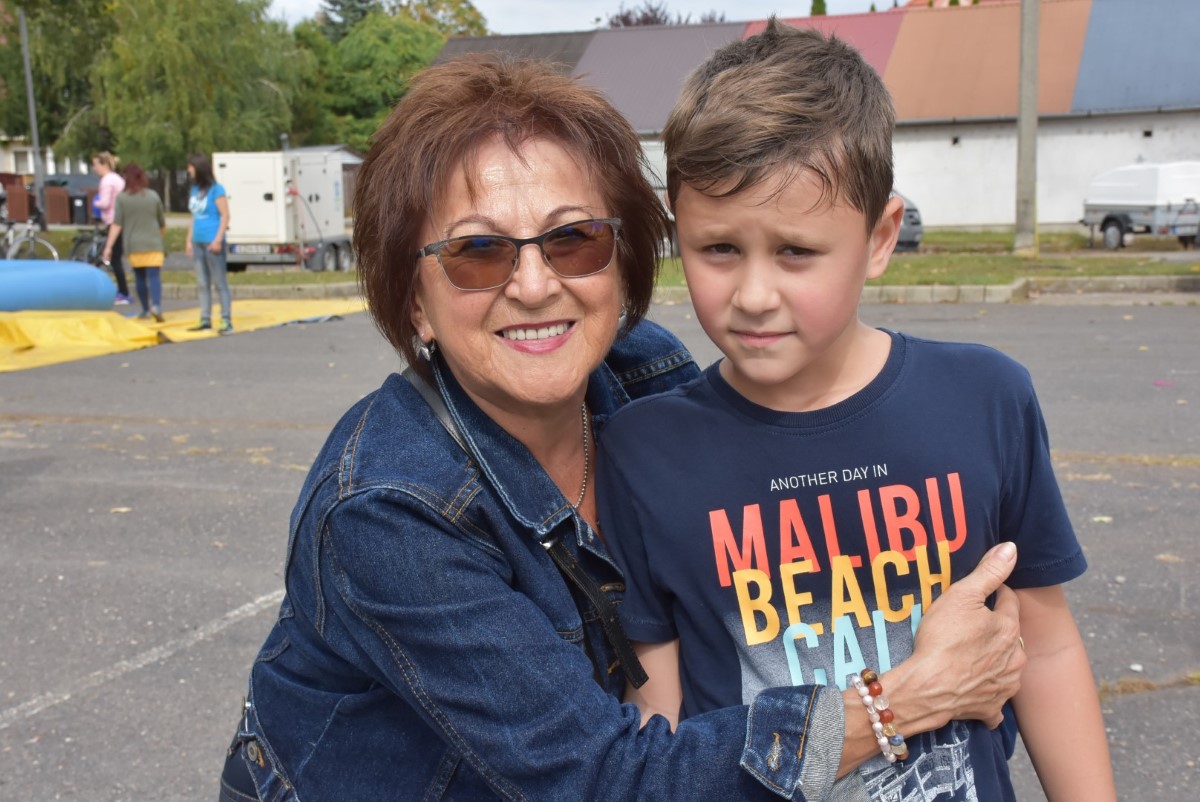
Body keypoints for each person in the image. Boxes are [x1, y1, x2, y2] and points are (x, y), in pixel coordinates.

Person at [217, 54, 1027, 802]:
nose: (534, 285)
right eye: (478, 252)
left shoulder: (645, 374)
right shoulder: (388, 511)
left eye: (572, 239)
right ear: (414, 302)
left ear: (623, 256)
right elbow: (602, 778)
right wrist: (904, 699)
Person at [596, 21, 1116, 802]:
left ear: (880, 238)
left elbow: (1043, 650)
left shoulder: (986, 398)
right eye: (719, 249)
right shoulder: (643, 451)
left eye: (796, 252)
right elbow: (660, 723)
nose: (753, 295)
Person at [103, 163, 166, 322]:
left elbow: (117, 224)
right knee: (154, 276)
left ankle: (145, 310)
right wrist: (160, 239)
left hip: (133, 245)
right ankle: (156, 306)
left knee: (140, 276)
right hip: (153, 243)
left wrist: (109, 246)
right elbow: (161, 222)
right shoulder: (153, 196)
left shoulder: (122, 198)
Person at [185, 153, 232, 334]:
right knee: (202, 282)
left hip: (212, 240)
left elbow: (225, 216)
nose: (188, 170)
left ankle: (226, 319)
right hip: (198, 240)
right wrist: (189, 239)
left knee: (220, 282)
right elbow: (194, 216)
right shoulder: (194, 189)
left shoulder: (216, 190)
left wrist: (218, 239)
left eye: (191, 167)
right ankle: (205, 318)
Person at [92, 151, 131, 305]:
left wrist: (95, 202)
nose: (94, 168)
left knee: (114, 258)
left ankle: (123, 292)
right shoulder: (117, 178)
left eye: (96, 165)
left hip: (114, 221)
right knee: (116, 257)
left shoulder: (107, 181)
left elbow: (105, 202)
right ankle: (122, 291)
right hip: (122, 220)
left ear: (104, 164)